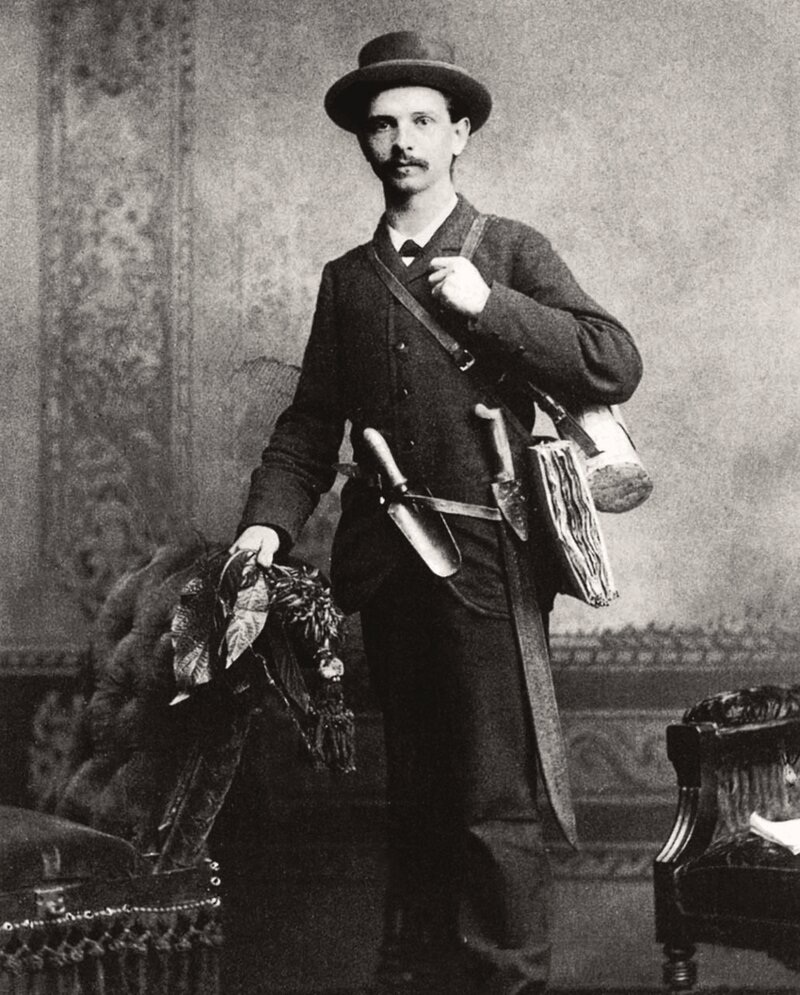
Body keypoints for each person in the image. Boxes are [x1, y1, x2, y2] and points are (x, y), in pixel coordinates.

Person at [230, 30, 643, 995]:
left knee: (492, 795)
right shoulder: (346, 279)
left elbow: (613, 360)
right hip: (389, 561)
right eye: (383, 126)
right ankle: (410, 971)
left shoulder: (508, 248)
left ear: (460, 134)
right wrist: (267, 523)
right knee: (413, 792)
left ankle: (507, 977)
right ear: (366, 146)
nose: (402, 140)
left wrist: (492, 305)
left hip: (491, 558)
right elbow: (310, 425)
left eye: (422, 121)